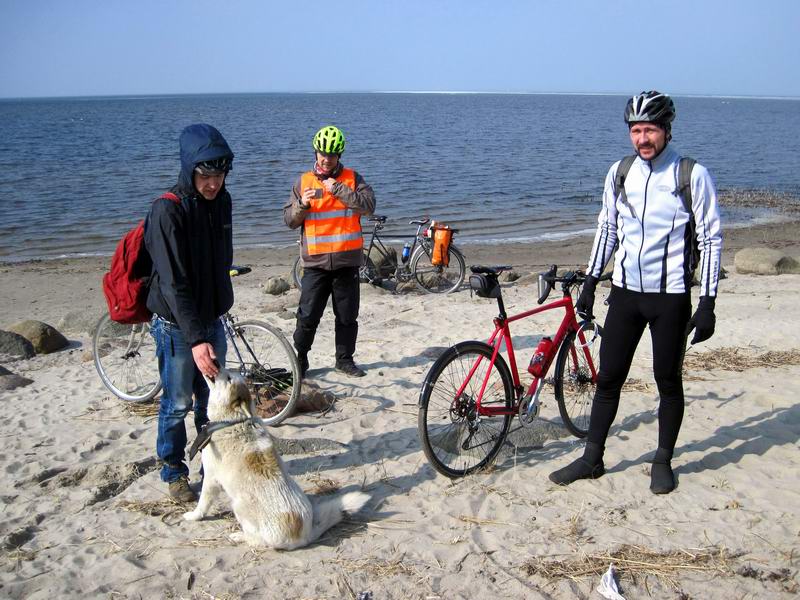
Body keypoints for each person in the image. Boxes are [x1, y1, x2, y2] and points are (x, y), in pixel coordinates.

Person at [549, 91, 722, 494]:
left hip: (671, 297)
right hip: (625, 293)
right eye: (636, 130)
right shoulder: (620, 172)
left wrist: (709, 302)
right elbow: (607, 227)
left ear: (666, 130)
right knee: (608, 377)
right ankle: (592, 458)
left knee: (667, 381)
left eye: (650, 130)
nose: (642, 139)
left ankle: (662, 460)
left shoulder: (691, 174)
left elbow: (712, 239)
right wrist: (591, 280)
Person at [144, 123, 235, 502]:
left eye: (220, 175)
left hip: (211, 319)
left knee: (211, 402)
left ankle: (210, 468)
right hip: (177, 327)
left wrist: (219, 307)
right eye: (206, 175)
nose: (213, 183)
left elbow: (219, 260)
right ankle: (173, 471)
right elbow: (173, 284)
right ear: (189, 168)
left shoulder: (222, 201)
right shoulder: (168, 211)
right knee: (178, 402)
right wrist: (196, 339)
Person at [284, 125, 376, 378]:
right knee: (307, 316)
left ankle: (344, 360)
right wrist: (302, 205)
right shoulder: (302, 182)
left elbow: (368, 206)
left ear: (340, 155)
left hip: (347, 262)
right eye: (323, 153)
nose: (327, 159)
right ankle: (301, 359)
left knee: (347, 316)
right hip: (315, 264)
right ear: (315, 152)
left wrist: (338, 189)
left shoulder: (353, 179)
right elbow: (289, 220)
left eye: (333, 155)